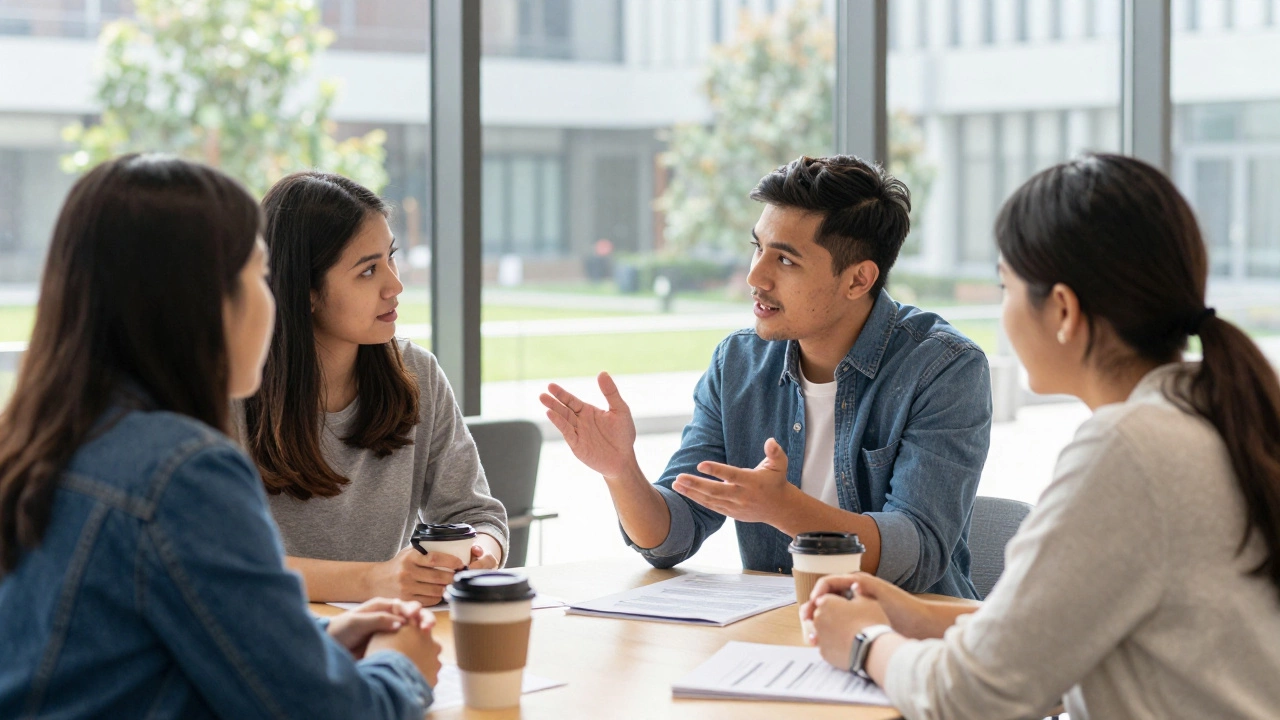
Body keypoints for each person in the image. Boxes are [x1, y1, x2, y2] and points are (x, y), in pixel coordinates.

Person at [804, 153, 1280, 719]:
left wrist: (864, 643)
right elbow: (1054, 638)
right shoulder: (1208, 415)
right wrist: (915, 616)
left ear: (1062, 310)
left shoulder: (1128, 449)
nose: (1003, 312)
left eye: (1005, 286)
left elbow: (971, 696)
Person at [0, 155, 442, 719]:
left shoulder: (50, 440)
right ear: (196, 302)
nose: (275, 300)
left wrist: (314, 640)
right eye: (259, 276)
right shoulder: (181, 471)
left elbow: (135, 650)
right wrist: (402, 665)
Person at [542, 155, 992, 598]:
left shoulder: (945, 369)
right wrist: (622, 471)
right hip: (778, 630)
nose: (755, 276)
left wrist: (783, 507)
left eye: (786, 261)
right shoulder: (738, 363)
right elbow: (671, 537)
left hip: (907, 633)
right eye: (758, 248)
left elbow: (916, 550)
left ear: (858, 280)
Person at [239, 171, 507, 606]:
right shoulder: (234, 388)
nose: (395, 285)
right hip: (271, 630)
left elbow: (474, 514)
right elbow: (221, 560)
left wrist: (480, 553)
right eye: (367, 270)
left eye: (390, 257)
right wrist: (371, 581)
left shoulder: (416, 372)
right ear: (305, 291)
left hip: (387, 627)